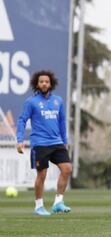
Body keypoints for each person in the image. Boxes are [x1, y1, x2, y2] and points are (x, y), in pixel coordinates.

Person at [16, 70, 72, 216]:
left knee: (67, 169)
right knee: (42, 175)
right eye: (41, 81)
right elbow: (22, 120)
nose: (44, 84)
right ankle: (39, 206)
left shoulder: (58, 101)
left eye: (47, 81)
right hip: (39, 144)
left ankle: (58, 202)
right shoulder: (31, 102)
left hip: (57, 142)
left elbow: (62, 122)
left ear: (51, 83)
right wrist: (20, 140)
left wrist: (65, 141)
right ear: (37, 84)